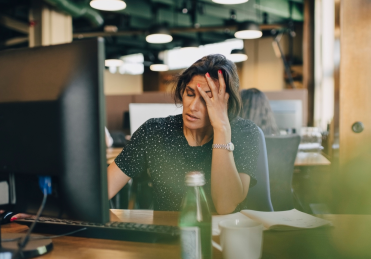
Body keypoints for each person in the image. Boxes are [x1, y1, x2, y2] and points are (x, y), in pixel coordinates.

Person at [107, 54, 260, 214]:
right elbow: (105, 188)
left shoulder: (244, 132)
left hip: (225, 235)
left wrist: (221, 128)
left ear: (225, 104)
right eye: (190, 93)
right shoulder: (154, 131)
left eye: (207, 99)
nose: (193, 106)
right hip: (166, 233)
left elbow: (226, 206)